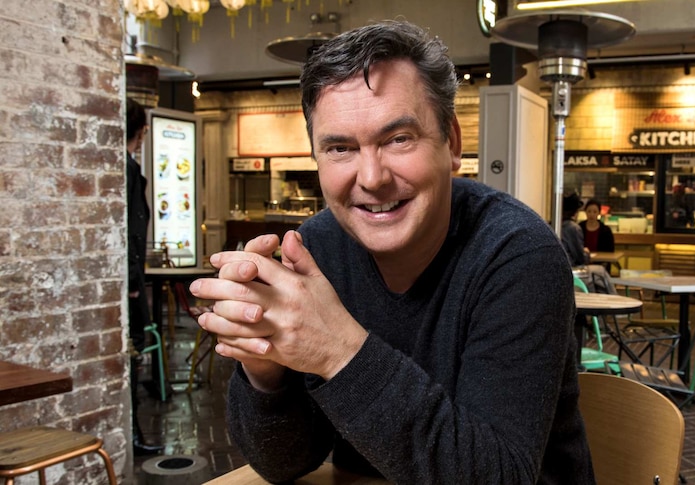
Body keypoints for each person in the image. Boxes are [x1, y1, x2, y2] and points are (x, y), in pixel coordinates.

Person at [189, 21, 595, 484]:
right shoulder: (318, 248)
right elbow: (284, 463)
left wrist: (336, 351)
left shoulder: (518, 254)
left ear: (452, 143)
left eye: (397, 139)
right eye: (340, 148)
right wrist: (267, 367)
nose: (372, 177)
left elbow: (499, 475)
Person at [126, 97, 164, 455]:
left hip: (130, 281)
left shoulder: (122, 168)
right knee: (132, 352)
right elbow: (133, 234)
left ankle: (133, 432)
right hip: (131, 285)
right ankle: (133, 436)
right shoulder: (127, 171)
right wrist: (133, 285)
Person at [561, 192, 589, 266]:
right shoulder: (574, 228)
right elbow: (580, 258)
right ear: (576, 212)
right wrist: (586, 253)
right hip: (570, 267)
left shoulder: (555, 224)